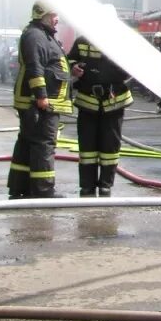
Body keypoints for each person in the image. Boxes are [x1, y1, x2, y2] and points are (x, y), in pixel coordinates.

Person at [8, 1, 73, 199]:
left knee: (28, 142)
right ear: (42, 15)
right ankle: (43, 189)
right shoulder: (36, 36)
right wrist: (42, 96)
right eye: (54, 15)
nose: (57, 19)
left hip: (37, 101)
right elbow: (35, 68)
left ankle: (21, 186)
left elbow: (50, 66)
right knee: (43, 144)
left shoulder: (41, 34)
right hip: (38, 102)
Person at [67, 21, 134, 198]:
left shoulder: (121, 43)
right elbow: (70, 59)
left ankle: (105, 185)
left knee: (110, 147)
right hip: (87, 102)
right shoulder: (82, 41)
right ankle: (87, 187)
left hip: (114, 102)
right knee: (87, 148)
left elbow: (131, 69)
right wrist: (73, 67)